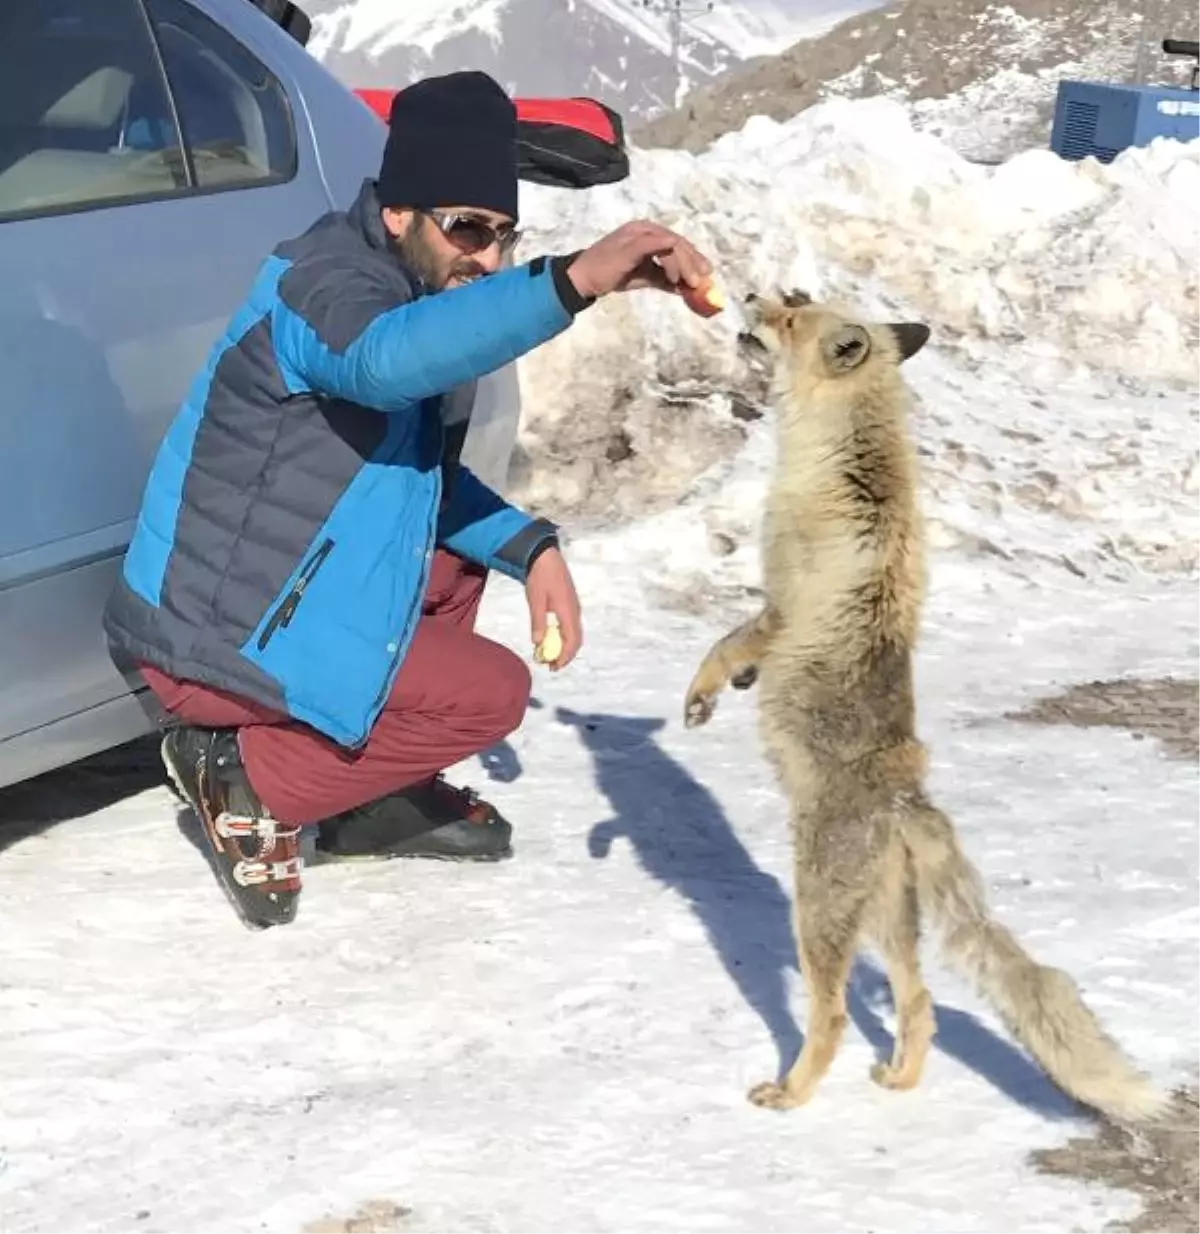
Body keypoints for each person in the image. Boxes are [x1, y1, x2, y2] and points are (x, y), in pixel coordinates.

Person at [102, 70, 711, 931]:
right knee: (489, 695)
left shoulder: (404, 284)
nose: (488, 258)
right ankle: (245, 778)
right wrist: (572, 280)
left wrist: (531, 547)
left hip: (261, 602)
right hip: (207, 635)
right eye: (467, 228)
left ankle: (368, 792)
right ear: (399, 213)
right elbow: (383, 362)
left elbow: (420, 474)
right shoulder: (324, 286)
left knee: (457, 558)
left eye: (504, 235)